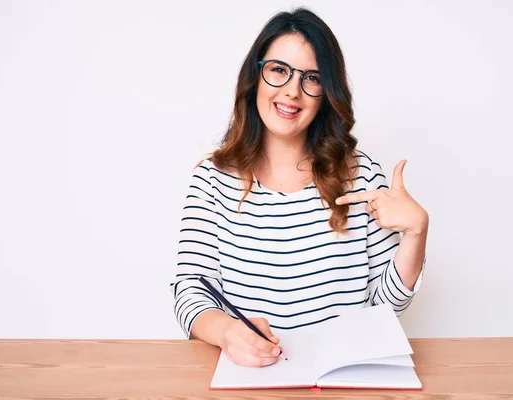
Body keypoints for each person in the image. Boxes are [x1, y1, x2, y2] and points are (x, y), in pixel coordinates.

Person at [171, 7, 428, 368]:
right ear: (255, 77)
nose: (292, 92)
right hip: (251, 380)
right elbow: (191, 292)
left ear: (326, 92)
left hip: (343, 382)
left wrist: (416, 234)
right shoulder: (212, 180)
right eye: (279, 71)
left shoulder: (362, 176)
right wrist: (228, 332)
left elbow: (387, 307)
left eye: (312, 78)